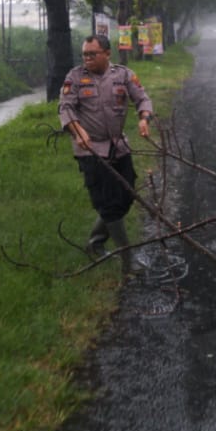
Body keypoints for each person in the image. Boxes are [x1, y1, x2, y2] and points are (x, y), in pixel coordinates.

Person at [58, 34, 153, 272]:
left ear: (107, 54)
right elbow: (65, 108)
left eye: (93, 54)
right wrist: (77, 130)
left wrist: (144, 119)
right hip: (91, 150)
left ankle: (95, 241)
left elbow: (142, 98)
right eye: (85, 54)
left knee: (127, 192)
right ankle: (127, 260)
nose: (87, 58)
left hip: (118, 146)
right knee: (109, 203)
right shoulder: (75, 77)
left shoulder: (123, 74)